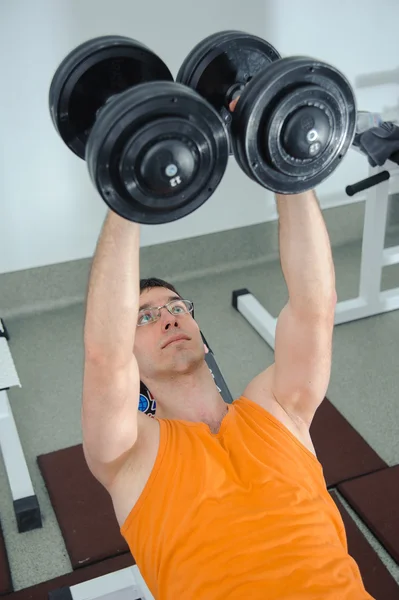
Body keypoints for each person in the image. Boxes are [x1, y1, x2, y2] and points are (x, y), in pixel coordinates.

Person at [82, 192, 374, 597]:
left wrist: (291, 179)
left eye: (177, 308)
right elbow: (103, 356)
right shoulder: (130, 456)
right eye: (145, 318)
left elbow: (315, 305)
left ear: (202, 338)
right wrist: (125, 197)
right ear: (129, 364)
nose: (168, 319)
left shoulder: (277, 408)